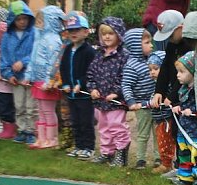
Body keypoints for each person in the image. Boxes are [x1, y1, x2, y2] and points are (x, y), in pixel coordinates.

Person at [86, 16, 130, 166]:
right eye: (103, 34)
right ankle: (107, 152)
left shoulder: (123, 55)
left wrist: (117, 92)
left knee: (117, 126)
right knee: (104, 127)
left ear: (118, 34)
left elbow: (125, 76)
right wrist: (92, 88)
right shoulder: (99, 54)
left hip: (116, 101)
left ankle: (121, 153)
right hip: (100, 100)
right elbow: (91, 74)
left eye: (110, 33)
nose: (106, 37)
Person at [151, 9, 190, 175]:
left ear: (180, 27)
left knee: (185, 132)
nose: (168, 38)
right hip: (175, 97)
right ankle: (180, 167)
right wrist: (159, 90)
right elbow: (166, 68)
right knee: (175, 132)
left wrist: (171, 96)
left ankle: (187, 168)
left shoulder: (190, 45)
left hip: (186, 95)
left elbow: (185, 76)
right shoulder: (172, 45)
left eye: (170, 34)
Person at [24, 5, 66, 149]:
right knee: (41, 111)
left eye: (42, 21)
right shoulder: (39, 39)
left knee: (48, 111)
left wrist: (49, 80)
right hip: (37, 80)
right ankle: (41, 138)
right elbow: (32, 59)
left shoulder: (53, 40)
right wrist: (28, 75)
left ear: (51, 21)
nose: (38, 24)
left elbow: (54, 63)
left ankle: (52, 138)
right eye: (38, 21)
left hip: (47, 82)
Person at [59, 12, 97, 159]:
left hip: (84, 95)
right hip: (71, 94)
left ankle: (89, 147)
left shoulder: (89, 51)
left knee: (85, 121)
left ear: (86, 32)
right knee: (75, 120)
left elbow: (91, 71)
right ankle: (79, 145)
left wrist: (80, 83)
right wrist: (66, 83)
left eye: (77, 30)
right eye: (70, 30)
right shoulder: (67, 49)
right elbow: (63, 68)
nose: (73, 33)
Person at [172, 52, 197, 185]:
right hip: (184, 129)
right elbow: (182, 104)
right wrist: (179, 107)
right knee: (184, 154)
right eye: (178, 71)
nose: (178, 75)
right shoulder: (183, 89)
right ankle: (185, 178)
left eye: (182, 72)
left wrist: (192, 110)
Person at [0, 0, 36, 142]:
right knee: (19, 105)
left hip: (30, 76)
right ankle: (22, 130)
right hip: (16, 78)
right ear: (13, 20)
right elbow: (4, 57)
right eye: (18, 19)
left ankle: (31, 131)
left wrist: (24, 62)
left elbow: (36, 53)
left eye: (24, 18)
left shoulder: (33, 33)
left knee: (31, 106)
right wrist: (8, 74)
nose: (22, 22)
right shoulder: (7, 37)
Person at [121, 28, 157, 169]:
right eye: (147, 42)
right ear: (136, 45)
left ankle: (159, 158)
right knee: (143, 133)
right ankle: (140, 159)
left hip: (156, 104)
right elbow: (126, 85)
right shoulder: (131, 66)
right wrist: (131, 102)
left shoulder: (152, 60)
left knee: (158, 133)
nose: (151, 45)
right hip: (142, 106)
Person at [146, 50, 172, 172]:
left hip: (166, 118)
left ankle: (166, 164)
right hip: (159, 117)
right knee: (161, 141)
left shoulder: (168, 85)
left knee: (166, 141)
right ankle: (165, 162)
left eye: (156, 68)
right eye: (150, 69)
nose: (152, 72)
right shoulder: (155, 84)